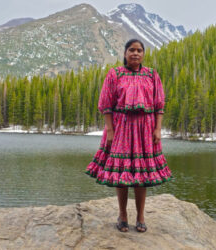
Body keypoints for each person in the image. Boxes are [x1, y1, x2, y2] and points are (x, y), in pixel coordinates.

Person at [85, 39, 173, 233]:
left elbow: (159, 105)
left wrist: (158, 129)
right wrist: (110, 130)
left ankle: (141, 216)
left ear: (143, 54)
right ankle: (123, 215)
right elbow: (106, 104)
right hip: (121, 127)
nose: (135, 53)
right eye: (131, 50)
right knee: (122, 173)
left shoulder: (151, 74)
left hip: (145, 129)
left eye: (139, 50)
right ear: (125, 53)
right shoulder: (115, 74)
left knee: (142, 175)